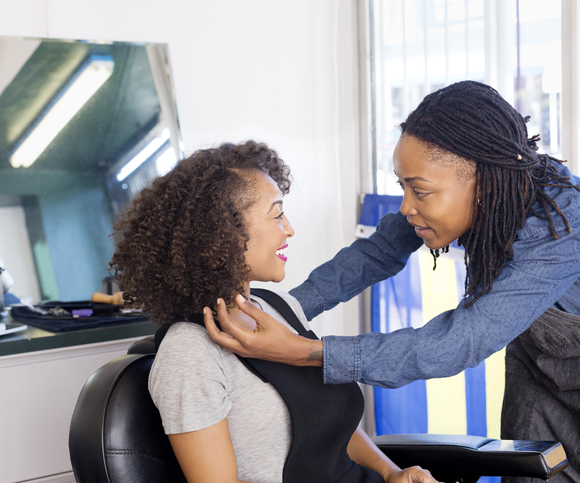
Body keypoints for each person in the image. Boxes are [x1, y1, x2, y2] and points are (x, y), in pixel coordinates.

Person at [204, 81, 580, 482]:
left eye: (419, 190)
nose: (406, 206)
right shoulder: (467, 197)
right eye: (403, 185)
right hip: (544, 383)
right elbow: (375, 254)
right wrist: (272, 311)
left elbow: (464, 338)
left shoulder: (567, 222)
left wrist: (305, 351)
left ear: (482, 180)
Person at [109, 141, 436, 483]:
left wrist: (391, 472)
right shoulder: (189, 353)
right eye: (277, 214)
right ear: (227, 233)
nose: (290, 228)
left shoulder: (277, 308)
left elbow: (331, 425)